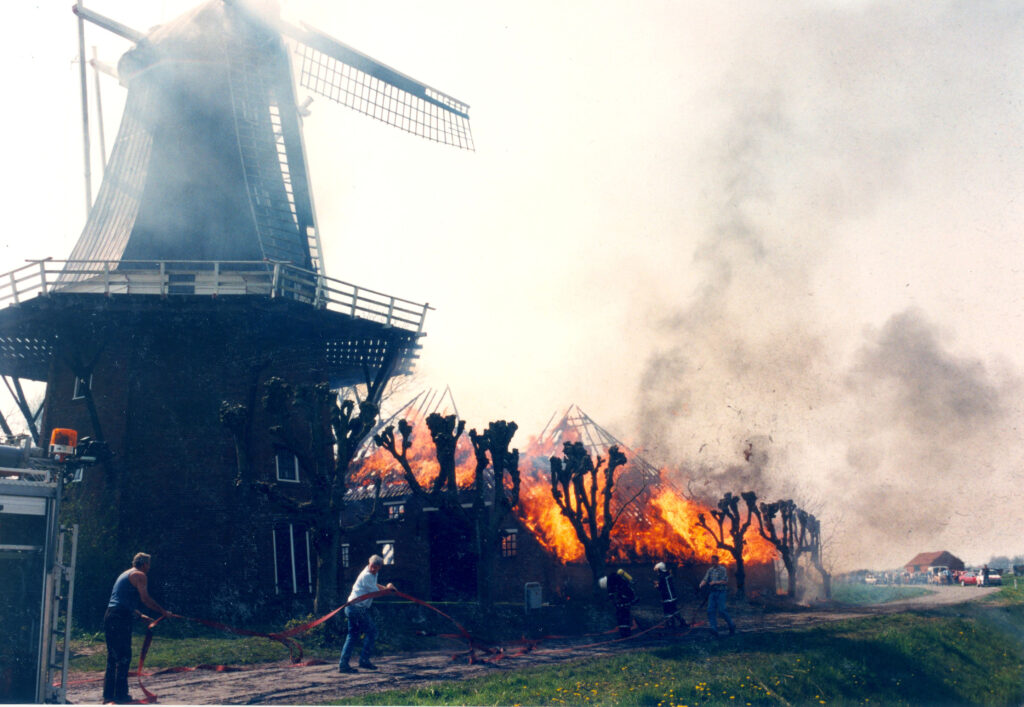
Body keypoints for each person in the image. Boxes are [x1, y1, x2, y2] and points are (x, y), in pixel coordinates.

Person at [103, 553, 169, 704]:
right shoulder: (140, 575)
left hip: (111, 615)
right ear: (144, 564)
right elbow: (145, 599)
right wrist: (163, 611)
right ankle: (121, 696)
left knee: (113, 657)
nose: (149, 568)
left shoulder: (126, 574)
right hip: (120, 617)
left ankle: (109, 696)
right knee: (124, 655)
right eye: (149, 564)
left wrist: (140, 616)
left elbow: (121, 602)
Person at [338, 554, 394, 673]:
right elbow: (376, 593)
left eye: (376, 568)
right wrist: (388, 588)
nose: (373, 569)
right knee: (372, 632)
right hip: (356, 608)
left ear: (379, 568)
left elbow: (375, 586)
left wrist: (386, 588)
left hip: (353, 607)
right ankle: (363, 660)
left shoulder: (373, 573)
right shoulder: (367, 575)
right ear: (369, 563)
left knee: (352, 635)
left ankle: (344, 664)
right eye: (372, 566)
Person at [699, 555, 735, 637]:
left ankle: (731, 625)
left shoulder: (722, 569)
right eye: (711, 561)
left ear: (717, 561)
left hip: (721, 592)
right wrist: (701, 583)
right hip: (712, 593)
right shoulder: (710, 570)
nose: (712, 562)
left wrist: (715, 582)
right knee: (710, 610)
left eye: (714, 561)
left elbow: (725, 581)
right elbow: (705, 579)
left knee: (722, 611)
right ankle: (714, 628)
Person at [599, 569, 637, 638]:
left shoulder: (616, 583)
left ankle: (625, 633)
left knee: (623, 615)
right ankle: (625, 631)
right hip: (626, 600)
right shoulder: (615, 581)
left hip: (625, 601)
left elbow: (614, 593)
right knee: (623, 615)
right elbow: (612, 593)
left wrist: (617, 601)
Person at [653, 561, 687, 629]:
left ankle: (671, 625)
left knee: (667, 612)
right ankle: (682, 622)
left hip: (668, 598)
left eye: (657, 570)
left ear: (660, 569)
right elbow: (665, 584)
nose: (657, 572)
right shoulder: (667, 575)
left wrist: (657, 586)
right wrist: (658, 583)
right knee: (674, 610)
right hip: (672, 597)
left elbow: (661, 587)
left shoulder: (662, 577)